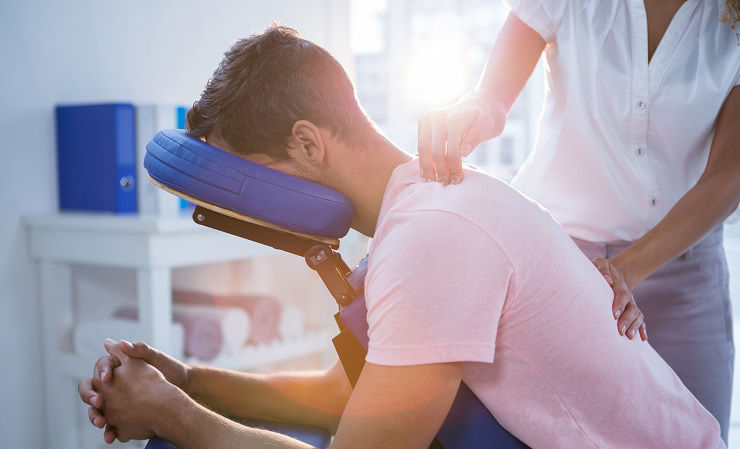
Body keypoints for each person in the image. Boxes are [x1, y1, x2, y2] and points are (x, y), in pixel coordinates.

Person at [78, 26, 724, 449]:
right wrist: (191, 380)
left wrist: (171, 415)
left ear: (307, 142)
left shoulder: (433, 236)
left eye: (251, 180)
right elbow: (345, 393)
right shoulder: (421, 209)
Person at [417, 0, 740, 441]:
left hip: (683, 272)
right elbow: (492, 97)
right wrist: (469, 114)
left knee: (698, 436)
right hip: (564, 264)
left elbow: (729, 175)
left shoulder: (730, 24)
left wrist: (624, 271)